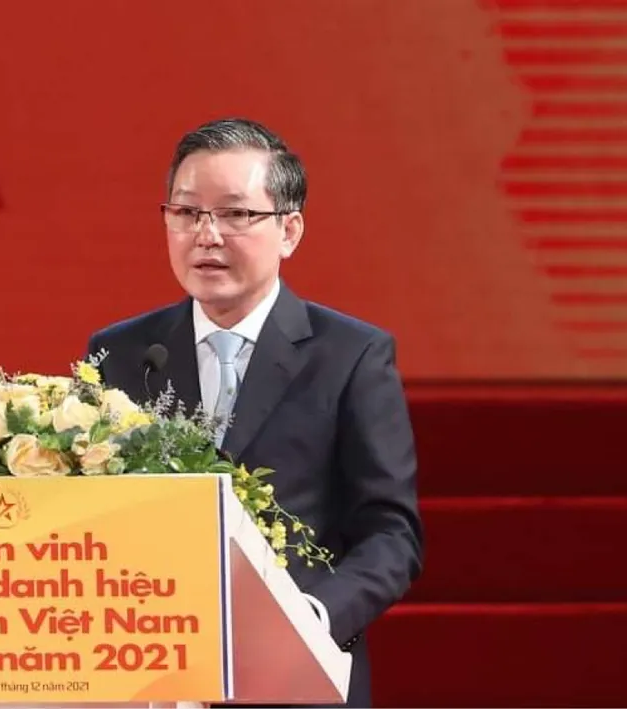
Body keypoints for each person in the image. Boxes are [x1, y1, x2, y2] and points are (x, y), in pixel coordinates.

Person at [84, 118, 424, 707]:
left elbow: (391, 534)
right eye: (186, 212)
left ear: (289, 230)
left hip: (295, 681)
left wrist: (311, 617)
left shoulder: (350, 356)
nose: (206, 235)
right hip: (151, 676)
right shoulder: (121, 353)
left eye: (235, 214)